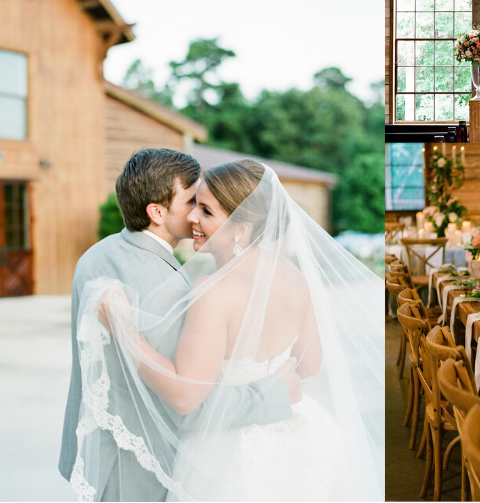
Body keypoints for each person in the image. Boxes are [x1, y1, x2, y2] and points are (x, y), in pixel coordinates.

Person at [73, 158, 384, 501]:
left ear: (241, 229)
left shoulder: (210, 291)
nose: (192, 217)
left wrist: (123, 328)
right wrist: (269, 377)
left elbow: (185, 395)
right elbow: (308, 365)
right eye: (194, 205)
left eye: (206, 211)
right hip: (301, 436)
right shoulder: (298, 278)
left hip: (228, 451)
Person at [59, 149, 300, 502]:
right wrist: (274, 393)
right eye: (192, 202)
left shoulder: (95, 256)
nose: (199, 211)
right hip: (143, 472)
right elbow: (185, 402)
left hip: (96, 456)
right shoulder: (169, 288)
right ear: (157, 212)